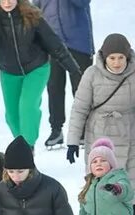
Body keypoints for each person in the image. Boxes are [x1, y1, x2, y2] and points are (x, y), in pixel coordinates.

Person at [63, 32, 135, 215]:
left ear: (128, 58)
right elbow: (80, 108)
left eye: (121, 58)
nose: (116, 63)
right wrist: (72, 141)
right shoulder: (91, 75)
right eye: (112, 58)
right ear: (104, 57)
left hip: (131, 132)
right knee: (101, 182)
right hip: (100, 135)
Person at [0, 0, 80, 144]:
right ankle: (21, 145)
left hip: (36, 68)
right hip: (9, 72)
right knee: (12, 116)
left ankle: (28, 146)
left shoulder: (32, 16)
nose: (7, 2)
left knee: (27, 106)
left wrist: (71, 66)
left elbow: (54, 43)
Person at [37, 0, 91, 148]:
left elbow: (82, 3)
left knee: (81, 89)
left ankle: (84, 130)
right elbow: (34, 10)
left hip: (78, 42)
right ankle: (56, 130)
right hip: (51, 42)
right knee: (54, 88)